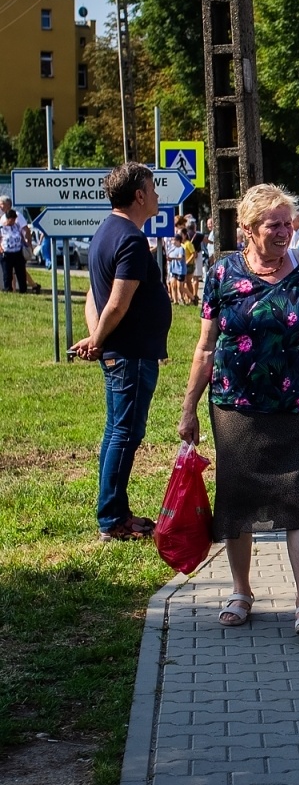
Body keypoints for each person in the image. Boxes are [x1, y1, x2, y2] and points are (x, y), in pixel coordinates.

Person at [177, 184, 299, 638]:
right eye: (273, 224)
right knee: (237, 501)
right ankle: (241, 592)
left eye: (288, 222)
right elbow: (204, 348)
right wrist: (189, 409)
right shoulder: (222, 274)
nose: (284, 231)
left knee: (297, 498)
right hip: (234, 408)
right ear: (247, 229)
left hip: (296, 406)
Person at [72, 163, 173, 541]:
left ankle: (115, 512)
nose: (158, 196)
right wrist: (99, 339)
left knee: (119, 432)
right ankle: (112, 520)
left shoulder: (105, 232)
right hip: (129, 355)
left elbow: (90, 297)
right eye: (153, 188)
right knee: (123, 435)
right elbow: (115, 302)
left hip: (122, 352)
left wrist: (95, 337)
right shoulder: (130, 238)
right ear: (139, 196)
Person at [1, 204, 36, 292]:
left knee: (21, 273)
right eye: (12, 219)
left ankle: (23, 290)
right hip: (6, 253)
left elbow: (23, 235)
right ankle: (8, 290)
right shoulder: (2, 228)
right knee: (7, 274)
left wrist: (27, 244)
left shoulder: (16, 226)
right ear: (8, 219)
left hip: (17, 252)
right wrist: (1, 250)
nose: (14, 221)